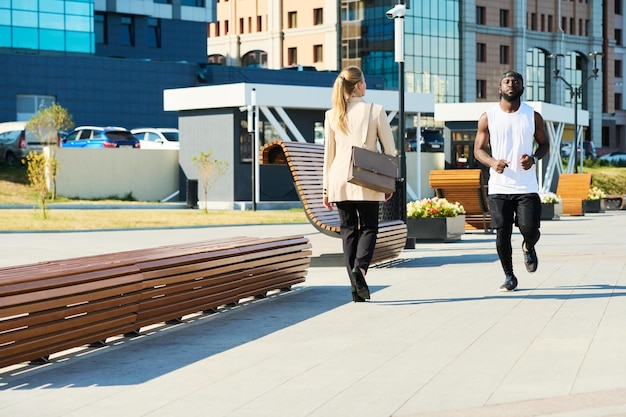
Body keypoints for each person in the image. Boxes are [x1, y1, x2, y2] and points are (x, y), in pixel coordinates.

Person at [322, 66, 396, 302]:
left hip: (338, 179)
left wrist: (326, 189)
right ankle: (361, 269)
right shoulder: (375, 110)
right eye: (364, 81)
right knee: (370, 227)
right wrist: (388, 184)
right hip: (366, 178)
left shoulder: (332, 114)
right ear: (358, 86)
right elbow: (390, 150)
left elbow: (328, 155)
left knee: (348, 231)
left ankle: (355, 289)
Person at [474, 70, 550, 292]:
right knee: (502, 233)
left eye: (515, 82)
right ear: (500, 88)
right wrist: (492, 162)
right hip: (499, 186)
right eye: (506, 82)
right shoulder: (488, 116)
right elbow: (478, 149)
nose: (511, 84)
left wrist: (534, 158)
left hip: (526, 186)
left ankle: (528, 246)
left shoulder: (532, 116)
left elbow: (545, 145)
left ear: (522, 88)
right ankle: (509, 276)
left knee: (530, 229)